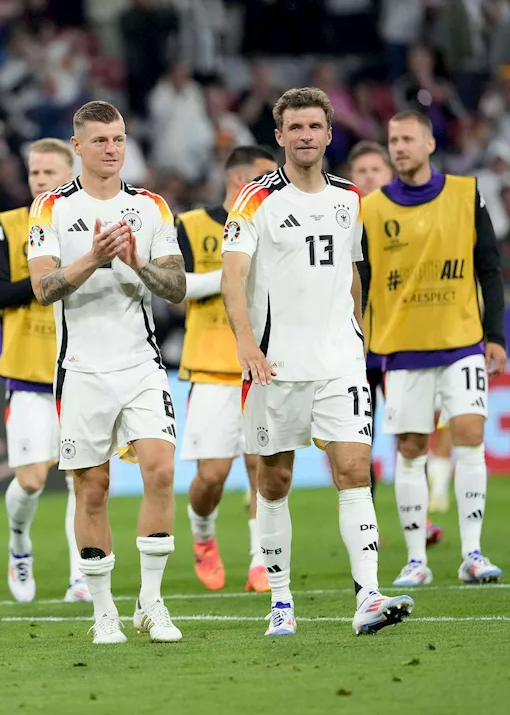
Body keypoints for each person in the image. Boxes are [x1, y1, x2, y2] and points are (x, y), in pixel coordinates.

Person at [221, 87, 414, 637]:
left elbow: (353, 271)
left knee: (353, 471)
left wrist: (356, 333)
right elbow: (232, 274)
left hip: (339, 363)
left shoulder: (350, 197)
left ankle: (369, 596)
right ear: (279, 136)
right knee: (274, 481)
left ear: (330, 134)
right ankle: (281, 602)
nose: (306, 136)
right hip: (274, 365)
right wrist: (245, 344)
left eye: (315, 127)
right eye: (295, 128)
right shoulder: (255, 199)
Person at [27, 100, 186, 645]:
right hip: (82, 369)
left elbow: (177, 288)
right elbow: (42, 287)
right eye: (100, 140)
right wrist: (95, 256)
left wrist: (135, 262)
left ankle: (152, 602)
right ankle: (103, 611)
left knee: (161, 471)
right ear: (77, 146)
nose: (112, 149)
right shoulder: (49, 208)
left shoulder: (152, 207)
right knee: (91, 489)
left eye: (118, 139)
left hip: (141, 361)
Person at [361, 110, 508, 589]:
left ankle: (472, 553)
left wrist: (497, 336)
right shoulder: (372, 209)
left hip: (462, 342)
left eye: (407, 139)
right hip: (401, 349)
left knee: (469, 434)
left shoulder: (466, 194)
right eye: (393, 139)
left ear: (428, 144)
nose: (398, 147)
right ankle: (415, 559)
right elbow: (356, 282)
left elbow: (490, 268)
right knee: (410, 448)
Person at [0, 137, 90, 605]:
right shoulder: (9, 227)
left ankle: (81, 577)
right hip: (27, 373)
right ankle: (19, 545)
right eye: (34, 173)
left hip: (82, 370)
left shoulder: (90, 225)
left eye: (49, 173)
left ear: (70, 173)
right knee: (30, 480)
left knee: (81, 479)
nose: (40, 181)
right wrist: (53, 278)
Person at [175, 144, 277, 594]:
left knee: (263, 466)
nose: (276, 186)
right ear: (240, 181)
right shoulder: (192, 225)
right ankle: (202, 535)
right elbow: (175, 288)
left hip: (264, 365)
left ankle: (261, 561)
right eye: (267, 177)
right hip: (212, 368)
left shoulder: (275, 223)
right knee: (212, 476)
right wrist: (231, 275)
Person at [349, 141, 446, 542]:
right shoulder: (339, 220)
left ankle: (418, 520)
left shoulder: (409, 222)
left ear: (390, 176)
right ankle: (364, 526)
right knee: (358, 442)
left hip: (400, 346)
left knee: (412, 435)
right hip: (353, 350)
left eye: (377, 169)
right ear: (349, 179)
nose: (369, 176)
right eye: (361, 171)